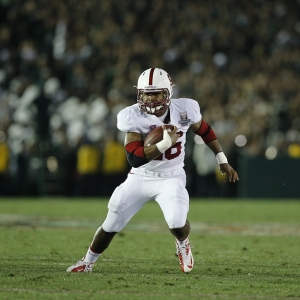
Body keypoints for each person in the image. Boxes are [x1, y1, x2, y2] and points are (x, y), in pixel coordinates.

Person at [67, 68, 239, 274]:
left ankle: (183, 244)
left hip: (171, 176)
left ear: (168, 93)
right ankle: (87, 262)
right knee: (112, 221)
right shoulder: (132, 116)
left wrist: (222, 159)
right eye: (146, 94)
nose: (150, 99)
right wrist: (163, 144)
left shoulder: (185, 109)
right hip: (141, 177)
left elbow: (204, 130)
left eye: (156, 93)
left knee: (176, 222)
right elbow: (134, 158)